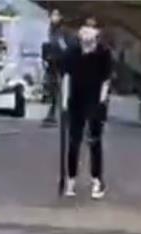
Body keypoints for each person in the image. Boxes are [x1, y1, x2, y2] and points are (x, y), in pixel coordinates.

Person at [62, 25, 112, 200]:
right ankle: (71, 179)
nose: (87, 45)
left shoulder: (103, 53)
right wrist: (64, 101)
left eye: (90, 41)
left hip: (95, 98)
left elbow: (106, 80)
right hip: (76, 98)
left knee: (94, 141)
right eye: (84, 41)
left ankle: (97, 179)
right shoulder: (72, 52)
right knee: (73, 141)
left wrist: (101, 101)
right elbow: (67, 76)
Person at [41, 9, 70, 127]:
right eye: (52, 15)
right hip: (52, 62)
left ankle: (59, 114)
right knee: (52, 88)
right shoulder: (51, 29)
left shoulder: (63, 30)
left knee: (61, 89)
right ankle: (52, 113)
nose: (53, 17)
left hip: (61, 62)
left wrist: (60, 49)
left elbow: (64, 47)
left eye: (56, 15)